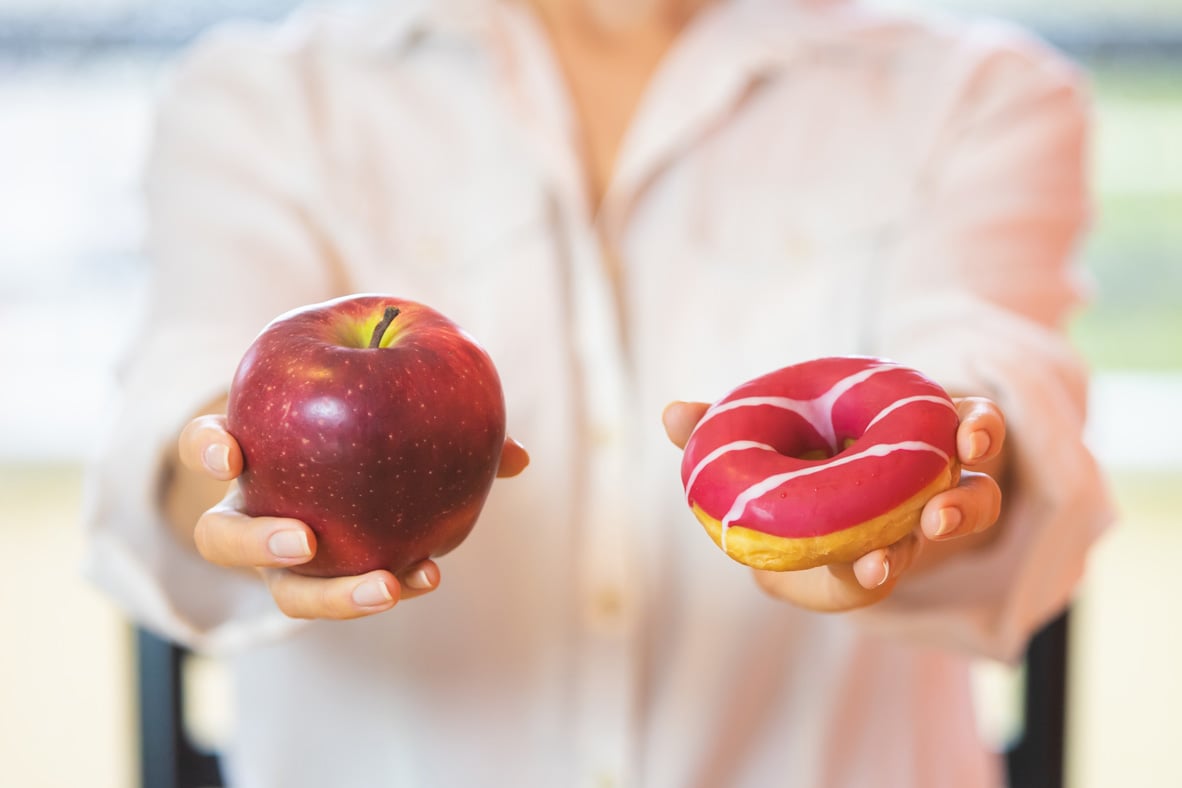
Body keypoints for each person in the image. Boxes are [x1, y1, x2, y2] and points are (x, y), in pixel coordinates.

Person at [83, 0, 1114, 785]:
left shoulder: (980, 94)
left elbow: (1000, 390)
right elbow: (180, 416)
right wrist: (233, 489)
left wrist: (959, 485)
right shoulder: (265, 97)